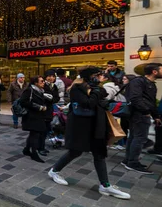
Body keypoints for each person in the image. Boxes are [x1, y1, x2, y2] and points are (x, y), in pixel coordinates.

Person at [48, 67, 130, 199]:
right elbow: (89, 103)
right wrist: (97, 92)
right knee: (75, 151)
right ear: (89, 76)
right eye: (97, 75)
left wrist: (99, 94)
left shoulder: (96, 88)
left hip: (96, 126)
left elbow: (100, 101)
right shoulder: (77, 88)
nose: (100, 77)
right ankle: (54, 171)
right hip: (80, 127)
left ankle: (105, 185)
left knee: (99, 154)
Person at [123, 63, 162, 174]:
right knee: (139, 138)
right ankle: (133, 162)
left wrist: (155, 116)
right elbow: (135, 98)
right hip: (139, 114)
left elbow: (151, 101)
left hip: (141, 114)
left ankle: (128, 160)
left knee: (135, 137)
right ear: (154, 71)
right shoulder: (138, 82)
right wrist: (145, 112)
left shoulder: (150, 84)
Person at [19, 76, 50, 163]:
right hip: (31, 116)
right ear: (35, 83)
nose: (43, 82)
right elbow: (23, 101)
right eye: (41, 81)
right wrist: (39, 107)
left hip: (38, 115)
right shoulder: (29, 90)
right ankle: (34, 153)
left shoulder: (40, 91)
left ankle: (27, 149)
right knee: (35, 134)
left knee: (34, 134)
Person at [40, 70, 60, 155]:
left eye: (53, 76)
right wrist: (51, 99)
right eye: (49, 76)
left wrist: (52, 99)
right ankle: (40, 147)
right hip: (42, 110)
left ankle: (40, 146)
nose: (51, 78)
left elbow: (56, 97)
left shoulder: (54, 86)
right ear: (45, 77)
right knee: (42, 130)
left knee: (45, 130)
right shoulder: (42, 85)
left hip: (49, 110)